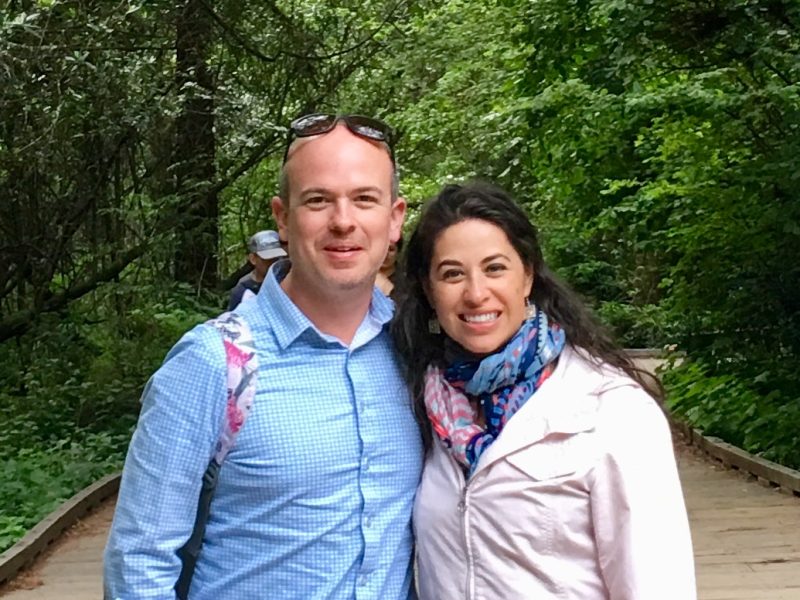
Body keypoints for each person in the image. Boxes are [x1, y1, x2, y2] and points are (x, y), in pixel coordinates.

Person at [104, 114, 423, 599]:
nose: (343, 220)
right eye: (318, 200)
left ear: (395, 218)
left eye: (364, 199)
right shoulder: (214, 362)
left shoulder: (412, 350)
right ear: (282, 217)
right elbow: (139, 562)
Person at [392, 182, 696, 599]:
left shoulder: (611, 410)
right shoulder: (424, 404)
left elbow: (658, 587)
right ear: (429, 290)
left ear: (528, 276)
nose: (476, 292)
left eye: (495, 268)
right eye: (452, 274)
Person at [227, 229, 287, 310]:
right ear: (253, 259)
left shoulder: (286, 280)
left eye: (276, 258)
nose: (272, 263)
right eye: (267, 259)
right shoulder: (243, 290)